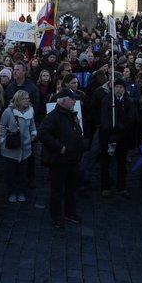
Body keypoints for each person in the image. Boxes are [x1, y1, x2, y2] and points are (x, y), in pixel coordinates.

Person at [38, 89, 86, 229]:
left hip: (73, 159)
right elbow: (42, 133)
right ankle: (56, 216)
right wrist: (60, 147)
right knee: (57, 190)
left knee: (71, 188)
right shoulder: (53, 116)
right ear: (64, 100)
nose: (75, 101)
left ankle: (69, 213)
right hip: (60, 160)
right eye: (72, 99)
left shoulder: (70, 114)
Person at [0, 89, 37, 203]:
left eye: (28, 98)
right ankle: (11, 192)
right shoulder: (8, 112)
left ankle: (21, 191)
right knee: (11, 173)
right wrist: (2, 140)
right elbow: (2, 125)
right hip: (11, 147)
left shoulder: (30, 111)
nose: (27, 100)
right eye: (24, 98)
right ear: (18, 100)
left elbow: (32, 125)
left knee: (23, 173)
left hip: (25, 147)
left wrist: (34, 133)